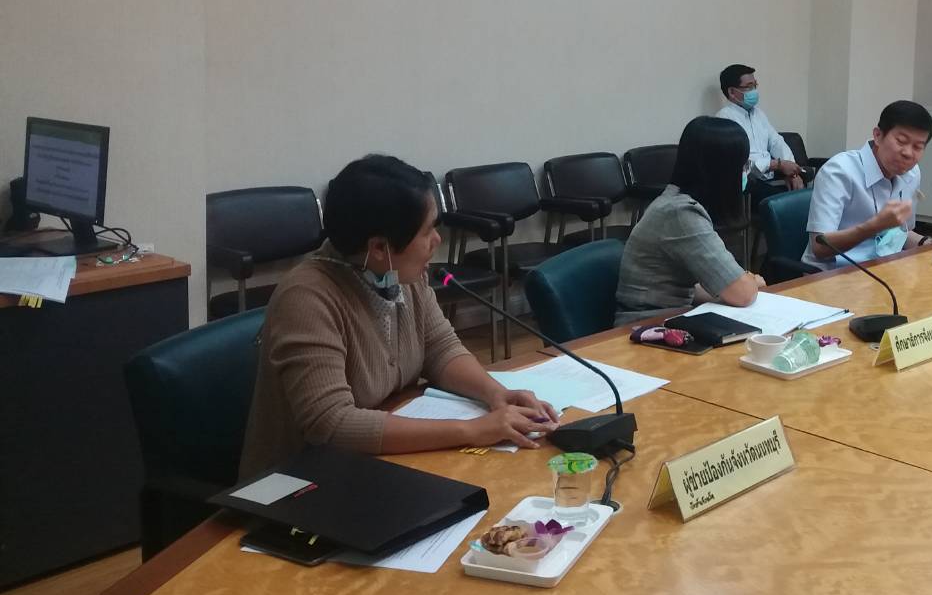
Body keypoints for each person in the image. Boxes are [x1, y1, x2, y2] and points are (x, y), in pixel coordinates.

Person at [239, 154, 560, 478]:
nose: (437, 240)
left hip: (375, 465)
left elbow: (440, 349)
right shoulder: (307, 298)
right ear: (379, 248)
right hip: (302, 481)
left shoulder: (401, 273)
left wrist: (496, 394)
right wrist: (472, 430)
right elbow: (330, 424)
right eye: (427, 231)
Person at [614, 115, 766, 327]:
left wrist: (737, 285)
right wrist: (751, 280)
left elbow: (692, 289)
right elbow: (743, 294)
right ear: (722, 171)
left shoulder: (674, 201)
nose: (745, 173)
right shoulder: (681, 213)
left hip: (672, 317)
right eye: (743, 166)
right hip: (646, 327)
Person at [803, 100, 932, 269]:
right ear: (878, 136)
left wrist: (926, 243)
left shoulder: (912, 173)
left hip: (886, 268)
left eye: (917, 147)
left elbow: (898, 232)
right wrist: (874, 226)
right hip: (832, 274)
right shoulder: (839, 172)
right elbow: (820, 247)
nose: (908, 153)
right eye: (901, 141)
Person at [715, 63, 804, 205]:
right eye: (749, 87)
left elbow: (776, 142)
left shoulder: (758, 114)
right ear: (732, 92)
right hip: (747, 182)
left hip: (770, 176)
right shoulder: (724, 119)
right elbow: (739, 163)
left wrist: (792, 172)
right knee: (788, 203)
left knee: (804, 192)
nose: (754, 91)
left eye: (755, 85)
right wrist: (777, 165)